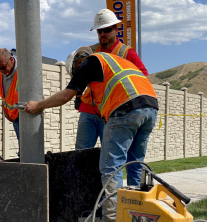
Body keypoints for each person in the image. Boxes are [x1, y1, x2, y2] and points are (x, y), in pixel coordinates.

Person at [25, 47, 158, 222]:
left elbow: (66, 96)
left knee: (111, 166)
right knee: (135, 163)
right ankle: (137, 214)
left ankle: (112, 218)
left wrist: (38, 105)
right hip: (151, 107)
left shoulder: (90, 63)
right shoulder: (114, 62)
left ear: (77, 64)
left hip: (126, 108)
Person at [74, 8, 150, 150]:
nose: (103, 34)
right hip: (89, 108)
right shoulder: (91, 50)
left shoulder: (127, 53)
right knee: (81, 152)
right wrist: (78, 94)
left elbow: (143, 77)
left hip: (111, 111)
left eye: (107, 30)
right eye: (99, 31)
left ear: (116, 29)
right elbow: (78, 75)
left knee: (110, 153)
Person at [0, 48, 20, 156]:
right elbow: (5, 95)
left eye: (3, 67)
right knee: (22, 148)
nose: (0, 70)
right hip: (13, 116)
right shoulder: (0, 71)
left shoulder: (23, 71)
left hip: (25, 116)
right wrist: (5, 110)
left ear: (11, 60)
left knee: (26, 150)